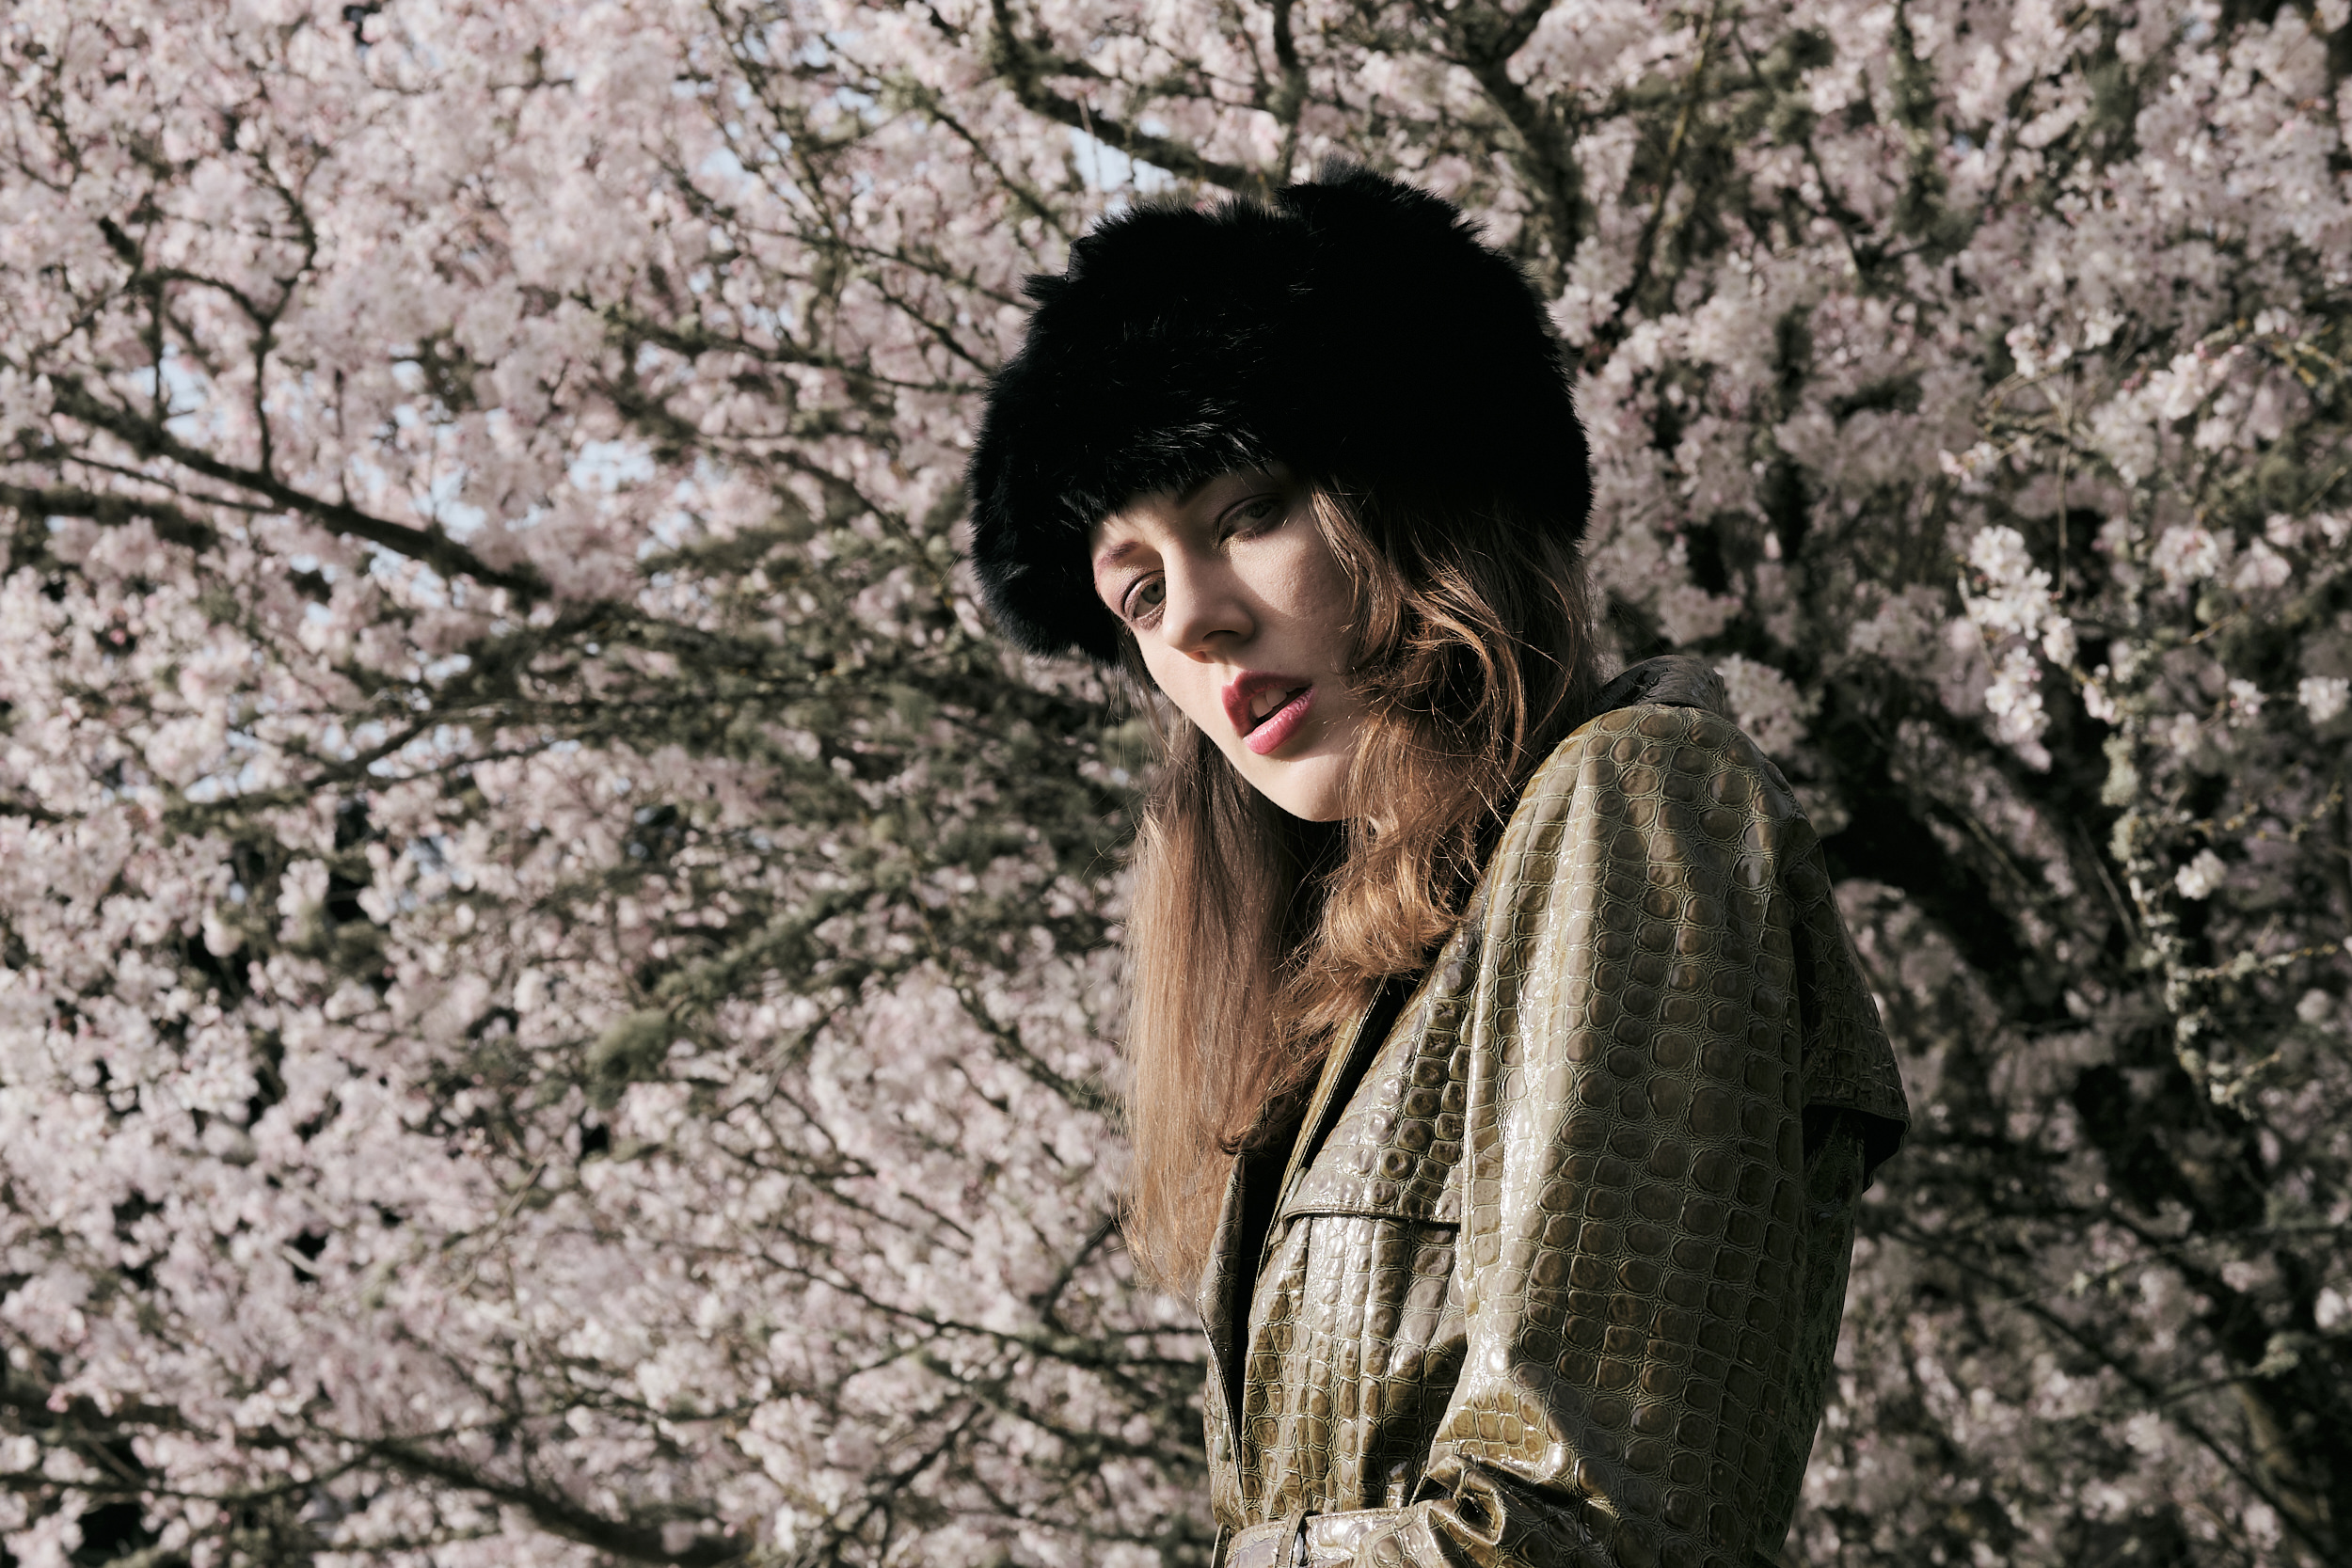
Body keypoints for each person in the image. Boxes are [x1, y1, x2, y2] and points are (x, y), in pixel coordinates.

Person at [966, 166, 1909, 1568]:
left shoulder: (1634, 801)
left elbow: (1588, 1523)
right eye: (1140, 591)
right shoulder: (1352, 1009)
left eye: (1246, 512)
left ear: (1419, 490)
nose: (1202, 623)